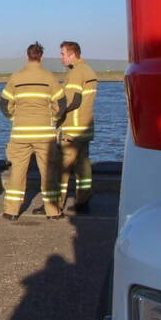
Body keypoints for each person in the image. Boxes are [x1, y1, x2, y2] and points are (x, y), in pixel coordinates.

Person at [0, 42, 63, 220]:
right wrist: (52, 118)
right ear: (41, 57)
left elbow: (4, 103)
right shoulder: (49, 77)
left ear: (26, 57)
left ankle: (11, 210)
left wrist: (14, 118)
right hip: (44, 134)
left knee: (17, 173)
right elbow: (61, 104)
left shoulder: (16, 77)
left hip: (21, 133)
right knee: (48, 172)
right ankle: (53, 211)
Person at [56, 41, 97, 212]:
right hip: (85, 127)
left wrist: (56, 114)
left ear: (73, 54)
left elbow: (72, 100)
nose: (61, 57)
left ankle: (55, 203)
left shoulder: (75, 73)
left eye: (63, 54)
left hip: (72, 128)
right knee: (83, 166)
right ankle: (83, 201)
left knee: (62, 167)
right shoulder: (89, 70)